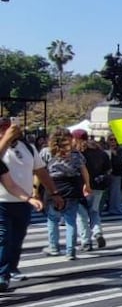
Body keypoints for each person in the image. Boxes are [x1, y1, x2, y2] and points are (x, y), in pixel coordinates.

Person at [0, 119, 55, 291]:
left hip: (22, 201)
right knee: (3, 239)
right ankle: (2, 275)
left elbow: (40, 172)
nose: (7, 131)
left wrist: (54, 193)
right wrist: (5, 140)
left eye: (8, 127)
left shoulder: (28, 148)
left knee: (16, 239)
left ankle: (10, 268)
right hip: (2, 202)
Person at [41, 128, 90, 260]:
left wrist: (35, 189)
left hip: (53, 186)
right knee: (70, 221)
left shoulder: (46, 152)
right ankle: (70, 251)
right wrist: (87, 185)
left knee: (52, 219)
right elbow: (84, 171)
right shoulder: (75, 154)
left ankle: (54, 247)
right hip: (71, 187)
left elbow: (40, 171)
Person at [74, 131, 110, 251]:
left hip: (82, 186)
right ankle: (97, 232)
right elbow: (108, 169)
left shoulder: (79, 153)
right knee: (94, 212)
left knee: (82, 215)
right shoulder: (101, 152)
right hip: (99, 185)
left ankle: (86, 241)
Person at [105, 134, 122, 215]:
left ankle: (115, 209)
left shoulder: (120, 150)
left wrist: (114, 153)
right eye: (111, 139)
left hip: (115, 172)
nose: (113, 141)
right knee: (105, 192)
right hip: (105, 172)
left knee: (115, 191)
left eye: (115, 140)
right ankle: (108, 206)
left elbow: (119, 161)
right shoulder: (105, 149)